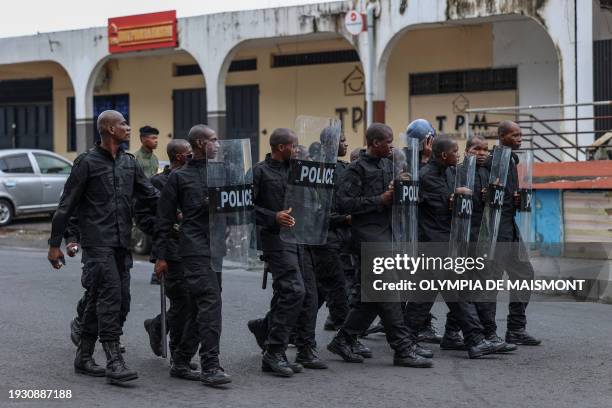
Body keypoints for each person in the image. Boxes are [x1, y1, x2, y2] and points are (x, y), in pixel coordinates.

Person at [48, 110, 158, 384]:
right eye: (123, 124)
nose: (128, 127)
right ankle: (114, 361)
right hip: (97, 244)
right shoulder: (86, 163)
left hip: (122, 244)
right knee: (110, 299)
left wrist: (181, 204)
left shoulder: (129, 163)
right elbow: (66, 205)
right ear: (109, 128)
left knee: (114, 302)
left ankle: (83, 357)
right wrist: (56, 244)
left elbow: (151, 195)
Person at [326, 123, 432, 368]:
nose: (392, 145)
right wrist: (379, 200)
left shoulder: (388, 164)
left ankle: (344, 339)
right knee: (388, 293)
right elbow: (343, 204)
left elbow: (396, 194)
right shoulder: (355, 169)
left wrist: (401, 185)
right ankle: (403, 349)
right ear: (374, 143)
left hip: (388, 234)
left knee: (371, 297)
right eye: (388, 141)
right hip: (368, 236)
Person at [403, 135, 509, 358]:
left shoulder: (451, 172)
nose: (458, 155)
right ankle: (475, 339)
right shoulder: (427, 176)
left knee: (426, 295)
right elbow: (443, 203)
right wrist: (454, 198)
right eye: (454, 151)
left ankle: (406, 341)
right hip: (433, 241)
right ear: (443, 155)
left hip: (447, 239)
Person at [154, 125, 231, 386]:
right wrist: (161, 257)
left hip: (216, 247)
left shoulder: (221, 173)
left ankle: (182, 359)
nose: (218, 144)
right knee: (210, 303)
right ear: (199, 143)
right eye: (213, 140)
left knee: (202, 306)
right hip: (193, 248)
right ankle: (210, 365)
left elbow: (236, 206)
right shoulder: (179, 177)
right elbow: (163, 220)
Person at [248, 128, 327, 378]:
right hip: (276, 240)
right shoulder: (260, 172)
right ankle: (274, 352)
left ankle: (289, 340)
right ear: (282, 147)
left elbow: (313, 201)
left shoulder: (298, 171)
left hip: (301, 239)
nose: (297, 149)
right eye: (294, 146)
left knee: (307, 295)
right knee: (294, 291)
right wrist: (273, 217)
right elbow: (244, 206)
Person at [136, 139, 201, 380]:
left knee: (190, 301)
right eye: (188, 153)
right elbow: (143, 218)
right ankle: (175, 352)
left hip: (194, 249)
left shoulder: (193, 178)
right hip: (171, 249)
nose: (192, 156)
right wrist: (171, 227)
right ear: (178, 156)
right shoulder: (158, 182)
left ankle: (163, 334)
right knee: (182, 301)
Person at [485, 121, 541, 346]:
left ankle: (516, 328)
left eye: (521, 135)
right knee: (491, 281)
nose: (520, 138)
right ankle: (486, 333)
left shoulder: (513, 160)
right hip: (495, 231)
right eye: (514, 135)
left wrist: (517, 199)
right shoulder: (490, 162)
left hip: (511, 227)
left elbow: (507, 195)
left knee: (525, 274)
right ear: (501, 136)